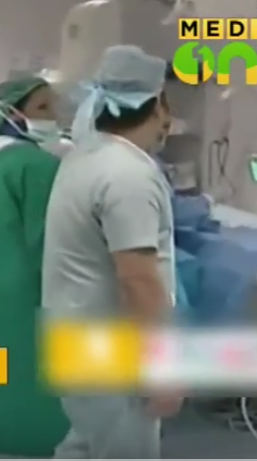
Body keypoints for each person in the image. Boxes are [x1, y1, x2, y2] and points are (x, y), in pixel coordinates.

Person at [42, 45, 181, 459]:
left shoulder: (84, 158)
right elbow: (137, 279)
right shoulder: (128, 175)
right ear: (158, 105)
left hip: (76, 338)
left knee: (86, 445)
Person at [0, 74, 70, 457]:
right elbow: (49, 242)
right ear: (13, 113)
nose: (54, 115)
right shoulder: (37, 166)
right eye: (42, 107)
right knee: (30, 377)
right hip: (27, 297)